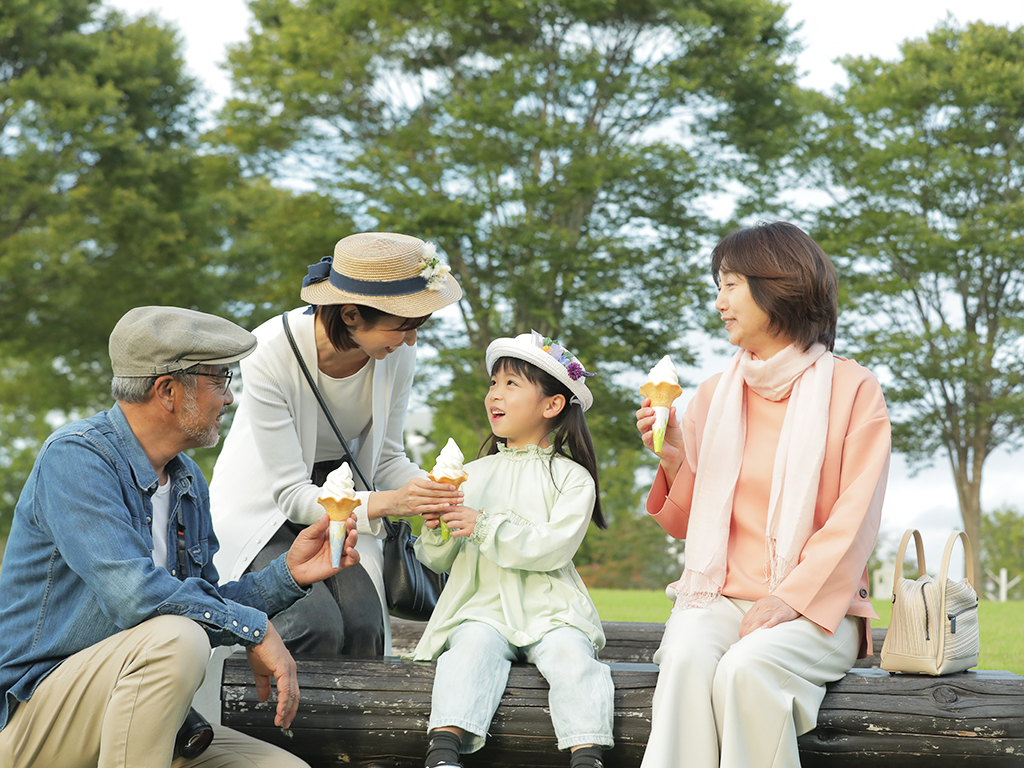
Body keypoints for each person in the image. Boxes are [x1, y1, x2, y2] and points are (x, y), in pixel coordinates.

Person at [0, 306, 360, 768]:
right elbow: (135, 596)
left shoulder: (187, 478)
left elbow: (202, 601)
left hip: (143, 720)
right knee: (177, 637)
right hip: (31, 717)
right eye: (220, 379)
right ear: (168, 391)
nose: (229, 397)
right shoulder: (76, 458)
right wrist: (254, 628)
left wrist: (288, 575)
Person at [634, 221, 891, 768]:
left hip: (819, 607)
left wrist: (789, 599)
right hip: (718, 598)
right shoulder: (712, 395)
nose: (719, 303)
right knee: (684, 660)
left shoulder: (853, 389)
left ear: (778, 287)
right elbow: (685, 524)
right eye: (719, 287)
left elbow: (855, 520)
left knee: (745, 669)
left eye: (730, 285)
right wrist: (675, 458)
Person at [208, 232, 464, 659]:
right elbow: (293, 495)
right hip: (268, 502)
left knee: (365, 623)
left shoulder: (395, 353)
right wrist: (393, 502)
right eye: (403, 326)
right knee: (313, 625)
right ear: (350, 315)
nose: (411, 340)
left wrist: (436, 493)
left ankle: (358, 708)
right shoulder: (268, 352)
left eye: (417, 326)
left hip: (349, 496)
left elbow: (387, 459)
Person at [411, 331, 614, 768]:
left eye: (510, 384)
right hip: (482, 605)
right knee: (470, 649)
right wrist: (437, 530)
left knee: (571, 654)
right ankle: (443, 751)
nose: (495, 394)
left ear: (552, 404)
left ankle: (586, 753)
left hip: (551, 609)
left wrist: (484, 525)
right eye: (493, 383)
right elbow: (439, 561)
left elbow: (554, 548)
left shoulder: (572, 478)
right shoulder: (469, 474)